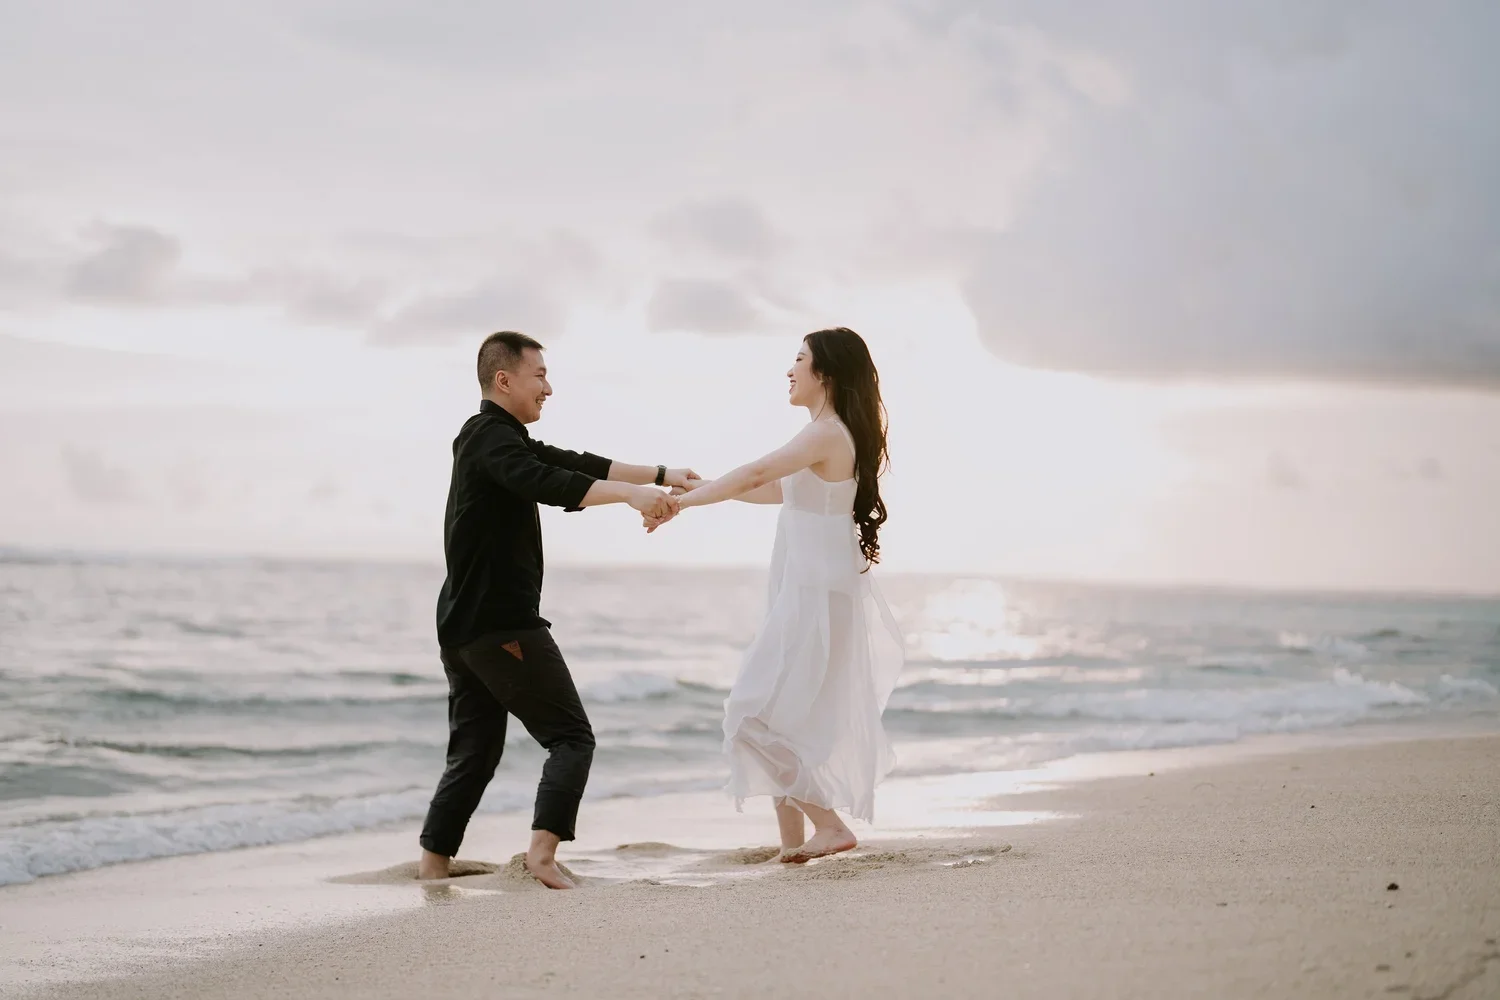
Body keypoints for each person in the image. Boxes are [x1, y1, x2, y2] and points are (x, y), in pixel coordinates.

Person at [418, 330, 693, 889]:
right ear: (504, 379)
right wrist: (631, 497)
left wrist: (659, 476)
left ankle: (432, 866)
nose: (548, 386)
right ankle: (541, 857)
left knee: (474, 754)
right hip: (500, 625)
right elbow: (544, 480)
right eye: (539, 374)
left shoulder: (495, 437)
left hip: (465, 627)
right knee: (571, 739)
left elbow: (571, 462)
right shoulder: (489, 440)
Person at [647, 327, 903, 862]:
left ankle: (829, 827)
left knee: (749, 715)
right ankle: (793, 847)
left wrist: (684, 507)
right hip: (811, 591)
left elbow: (758, 471)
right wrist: (698, 489)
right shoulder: (826, 437)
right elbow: (768, 489)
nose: (790, 370)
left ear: (825, 373)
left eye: (799, 359)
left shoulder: (827, 432)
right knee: (781, 719)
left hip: (813, 596)